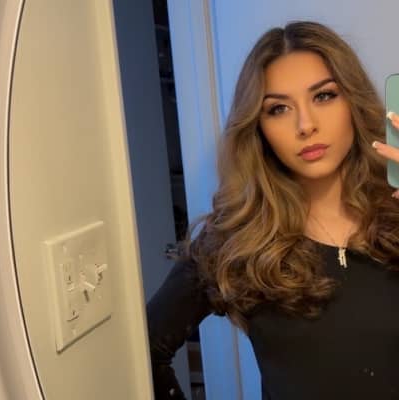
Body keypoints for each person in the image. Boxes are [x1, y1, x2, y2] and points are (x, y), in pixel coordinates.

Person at [147, 20, 399, 400]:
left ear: (353, 102)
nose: (306, 125)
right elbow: (147, 350)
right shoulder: (237, 240)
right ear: (258, 127)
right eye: (278, 108)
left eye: (324, 96)